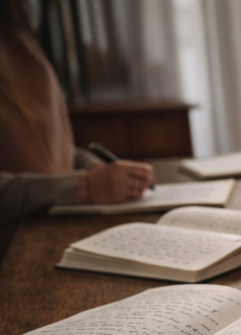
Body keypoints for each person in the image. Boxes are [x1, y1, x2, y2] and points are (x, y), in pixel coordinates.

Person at [0, 1, 154, 226]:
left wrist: (96, 169)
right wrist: (82, 186)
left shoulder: (17, 35)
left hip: (48, 223)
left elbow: (52, 151)